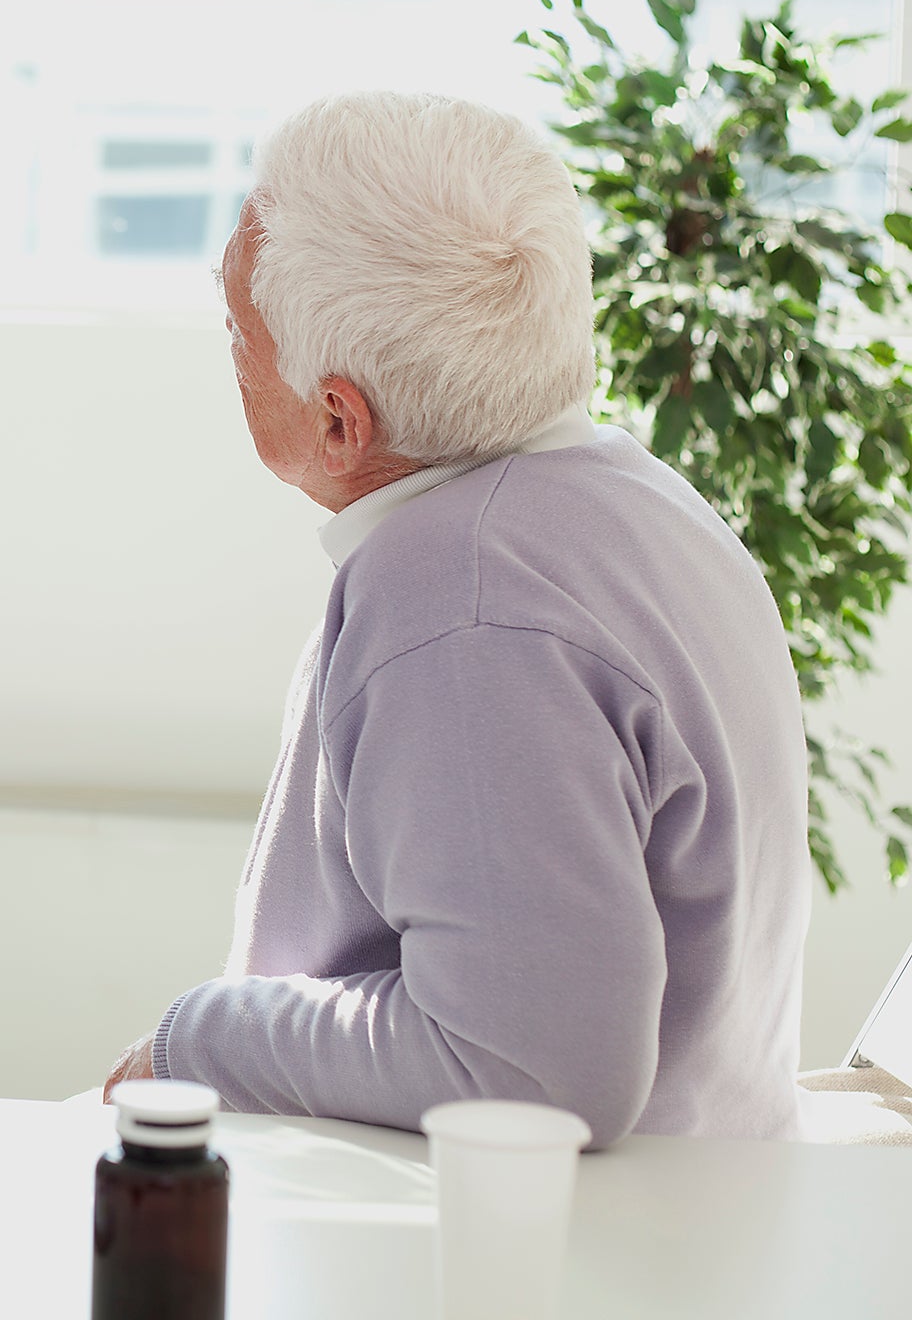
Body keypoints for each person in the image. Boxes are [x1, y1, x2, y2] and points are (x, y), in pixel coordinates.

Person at [104, 92, 807, 1145]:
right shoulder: (629, 497)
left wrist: (193, 1044)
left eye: (232, 321)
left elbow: (531, 1070)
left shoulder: (463, 602)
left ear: (339, 419)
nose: (226, 337)